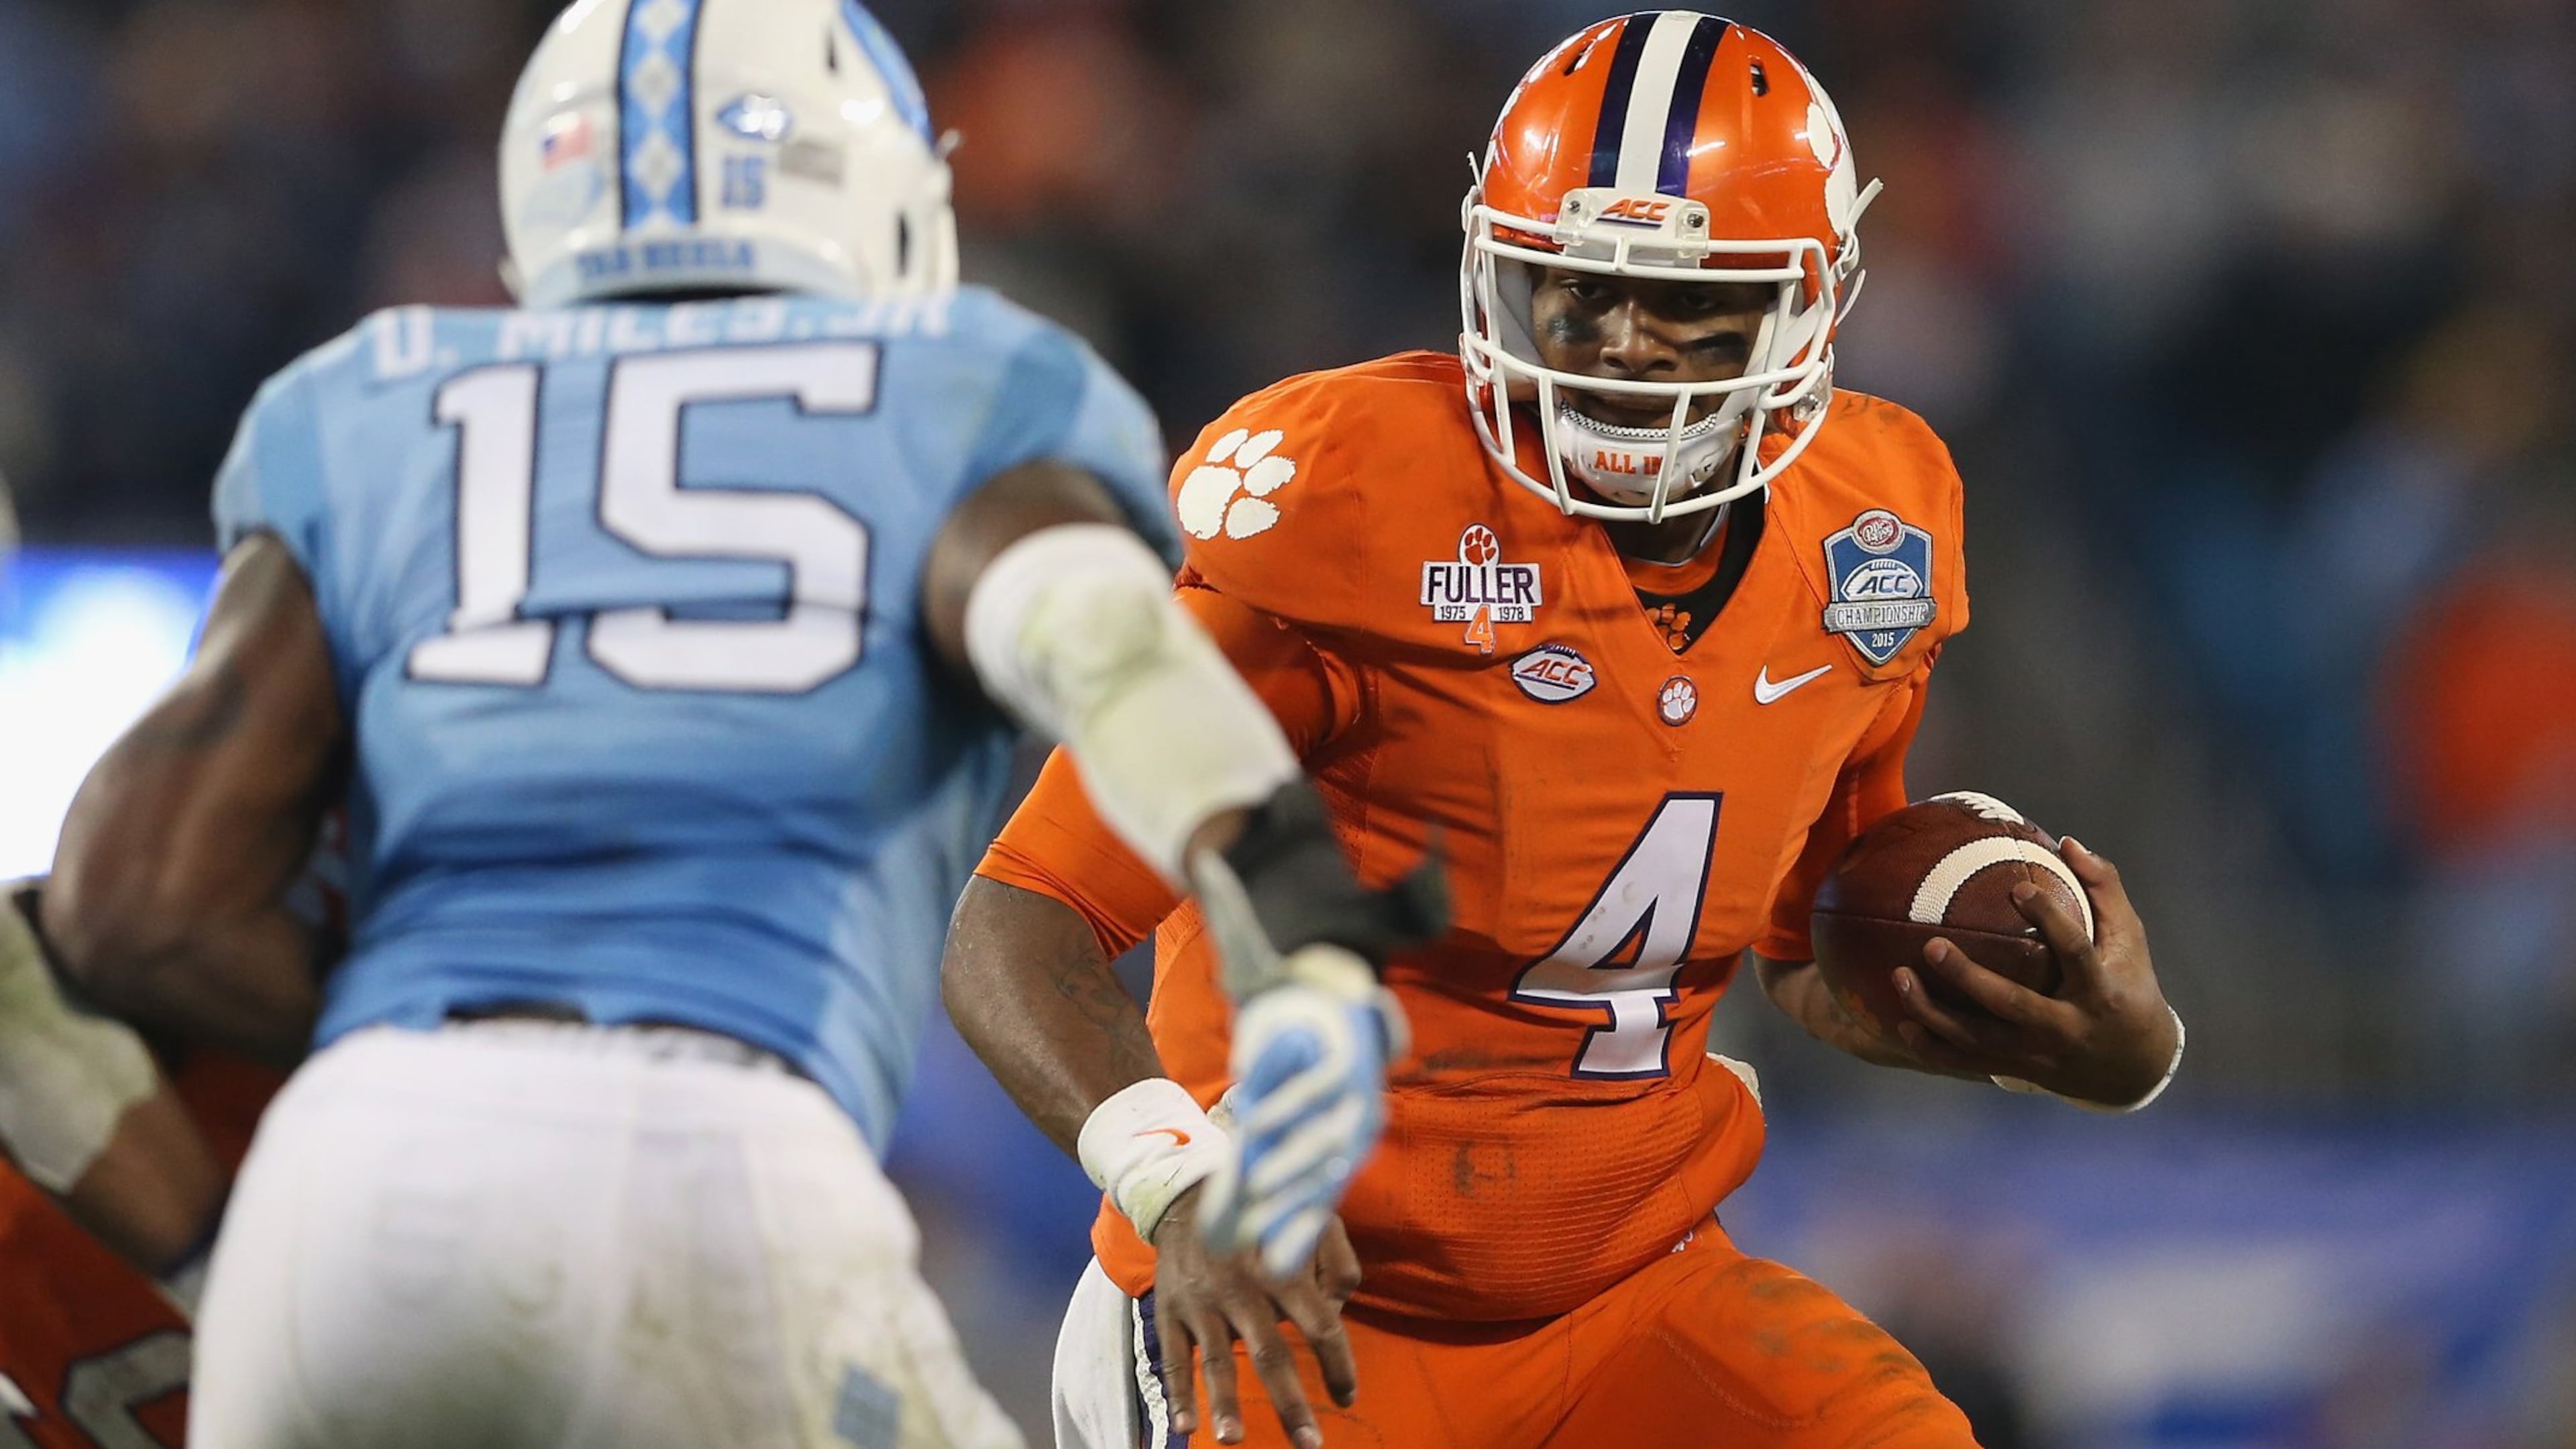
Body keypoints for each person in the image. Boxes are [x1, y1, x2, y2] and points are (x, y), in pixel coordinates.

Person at [37, 2, 1419, 1445]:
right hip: (709, 1160)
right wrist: (1298, 916)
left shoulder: (372, 404)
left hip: (348, 1193)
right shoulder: (956, 386)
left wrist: (443, 1051)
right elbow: (1098, 640)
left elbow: (131, 904)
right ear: (882, 192)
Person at [941, 13, 2187, 1449]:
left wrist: (2106, 1044)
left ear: (1814, 303)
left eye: (1685, 304)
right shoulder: (1357, 507)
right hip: (1303, 1309)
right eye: (1572, 293)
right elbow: (1020, 919)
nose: (1616, 348)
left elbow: (1810, 940)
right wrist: (1180, 1184)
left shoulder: (1872, 532)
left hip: (1631, 1291)